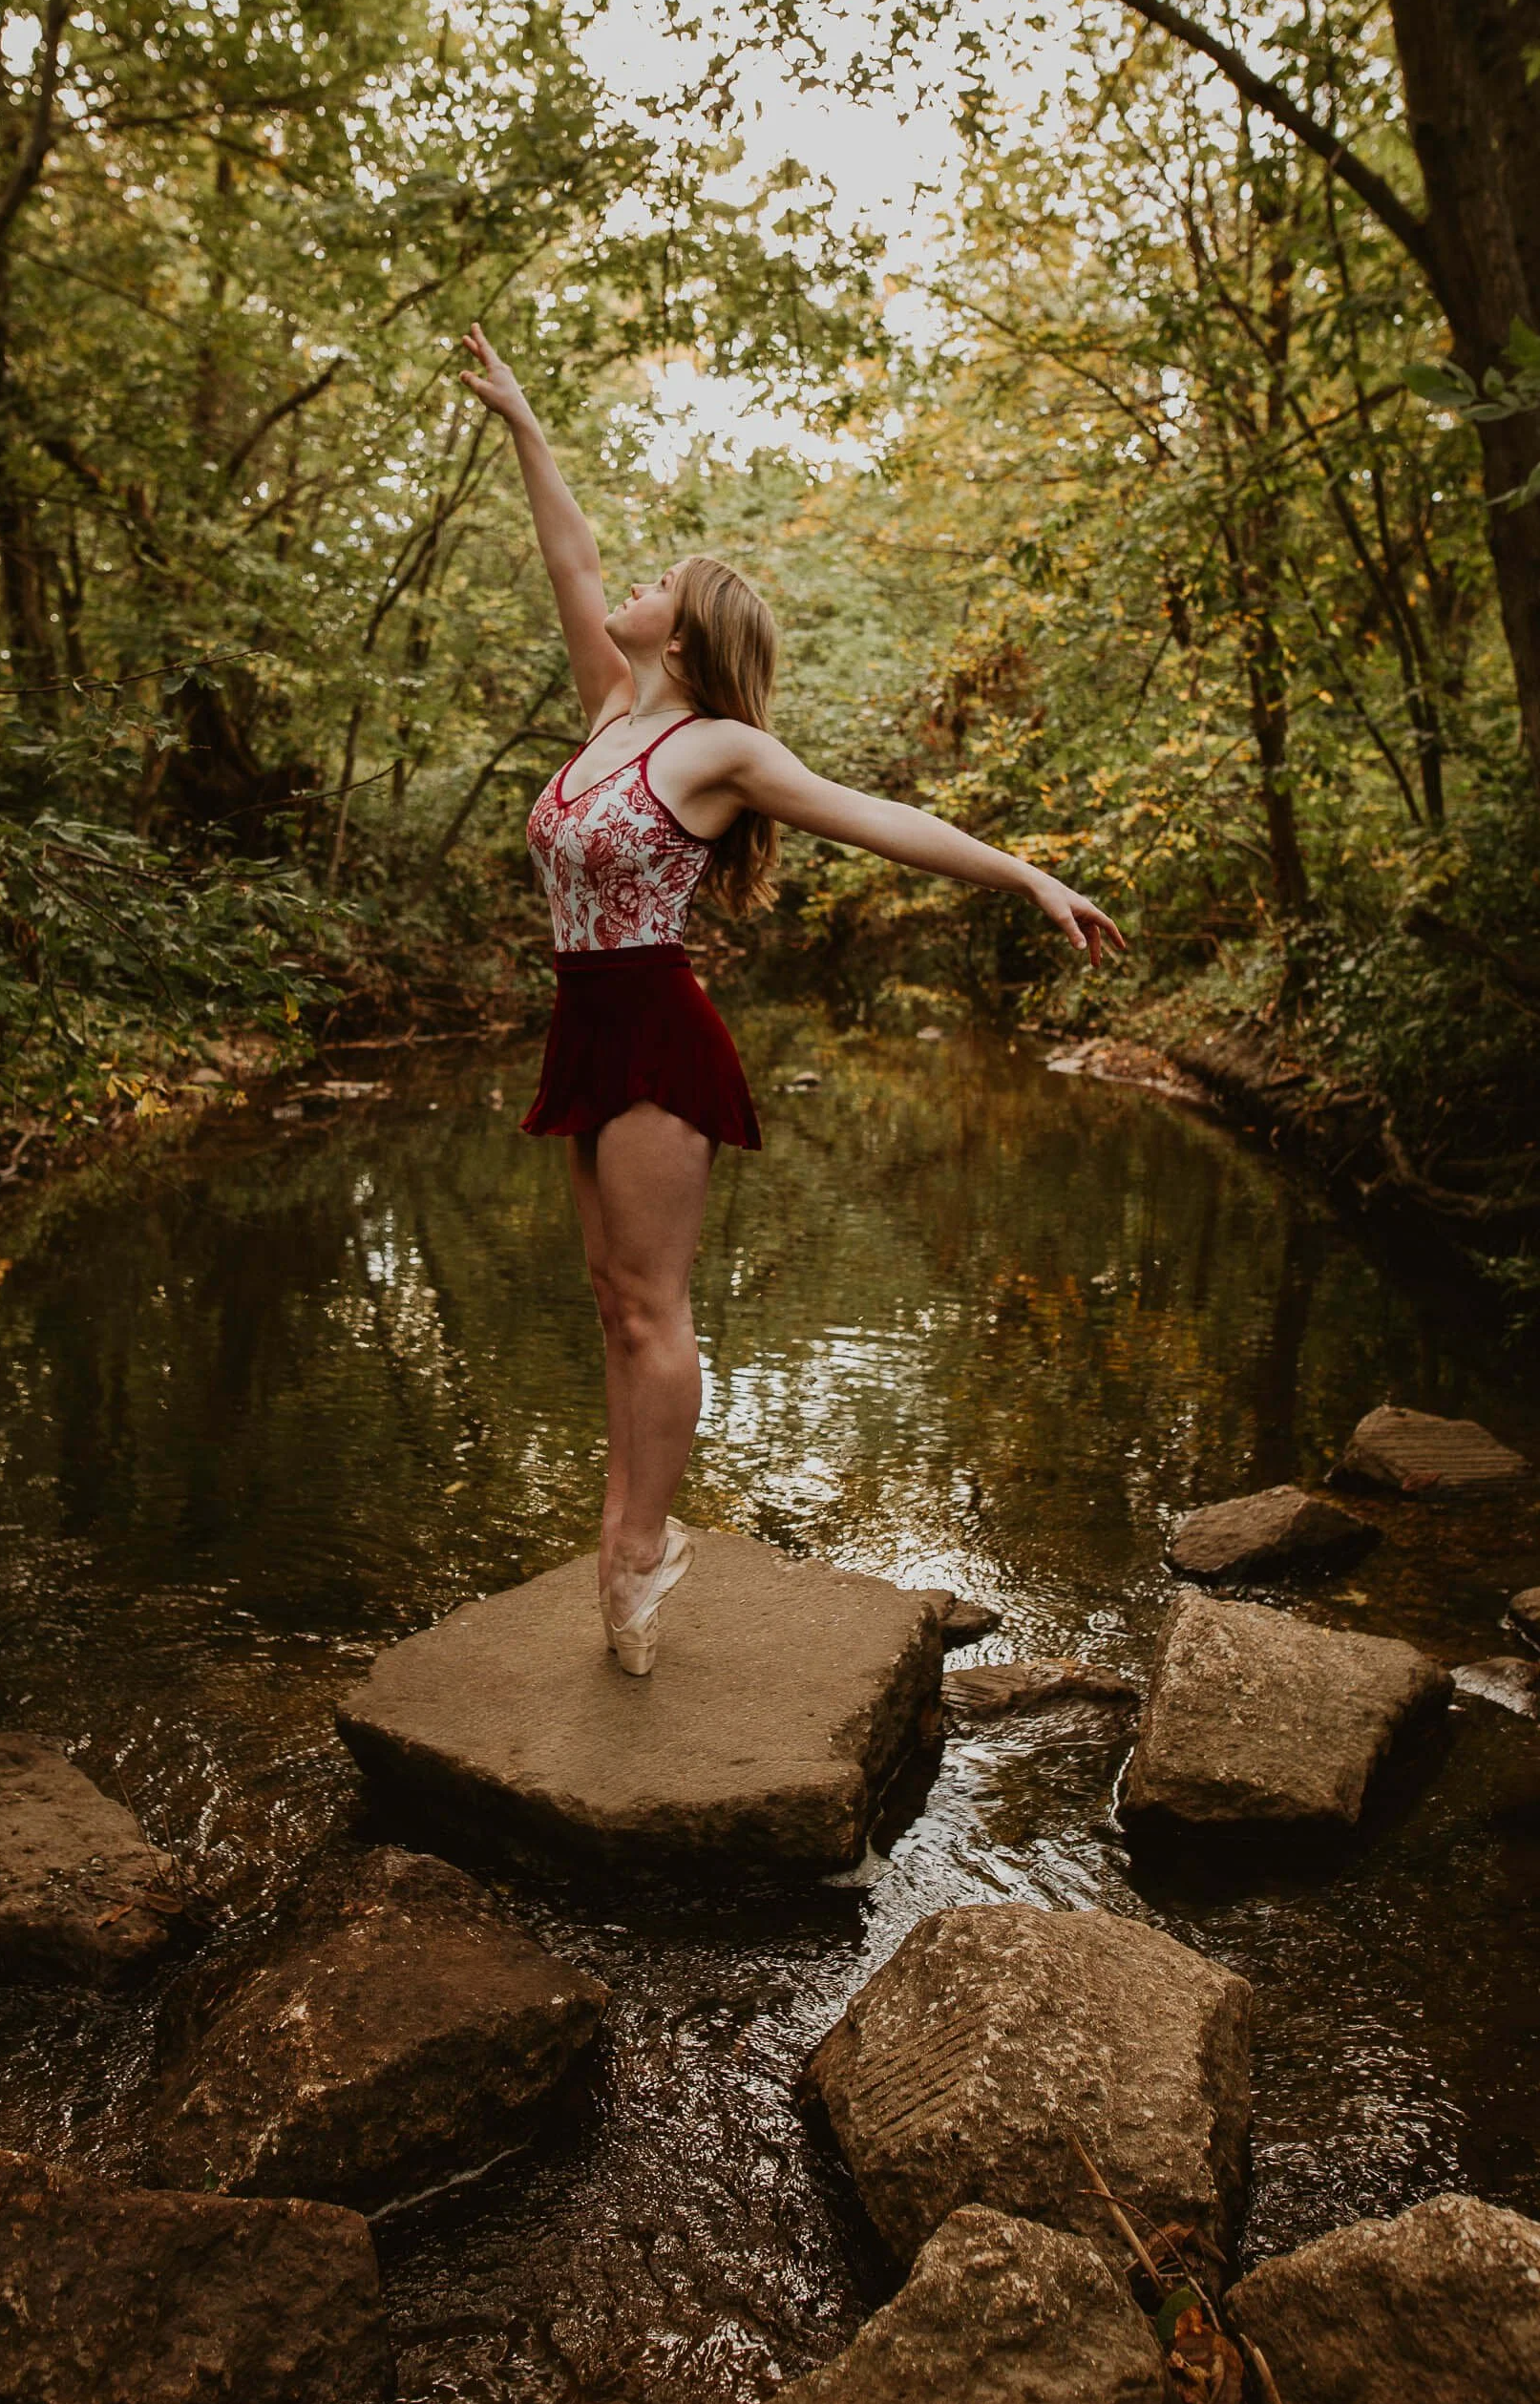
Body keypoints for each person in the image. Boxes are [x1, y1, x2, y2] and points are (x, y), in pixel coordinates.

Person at [459, 323, 1126, 1677]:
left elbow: (882, 817)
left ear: (694, 638)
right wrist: (526, 426)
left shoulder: (721, 747)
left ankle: (641, 1554)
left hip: (653, 1029)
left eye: (661, 584)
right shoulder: (609, 714)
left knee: (653, 1305)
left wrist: (1025, 876)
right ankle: (626, 1528)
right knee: (607, 1298)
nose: (627, 585)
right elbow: (570, 559)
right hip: (582, 1018)